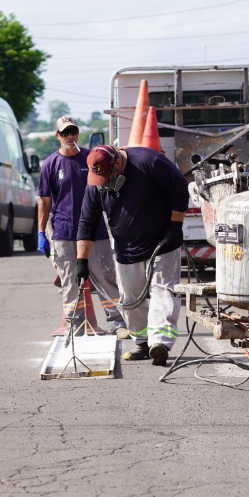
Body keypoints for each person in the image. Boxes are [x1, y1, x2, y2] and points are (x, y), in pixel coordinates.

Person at [75, 144, 188, 367]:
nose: (106, 183)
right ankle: (143, 343)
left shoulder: (148, 161)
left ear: (118, 162)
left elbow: (179, 187)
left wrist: (176, 225)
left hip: (162, 242)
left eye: (109, 176)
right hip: (126, 248)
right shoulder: (96, 185)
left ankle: (161, 344)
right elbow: (87, 222)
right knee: (130, 299)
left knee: (162, 291)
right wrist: (81, 260)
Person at [37, 116, 128, 338]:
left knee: (106, 278)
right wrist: (41, 232)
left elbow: (110, 188)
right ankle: (75, 324)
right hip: (64, 232)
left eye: (73, 132)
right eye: (65, 133)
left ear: (78, 133)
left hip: (95, 230)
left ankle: (117, 323)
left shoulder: (91, 158)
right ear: (57, 136)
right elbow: (45, 201)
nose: (70, 137)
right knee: (70, 282)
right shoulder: (50, 164)